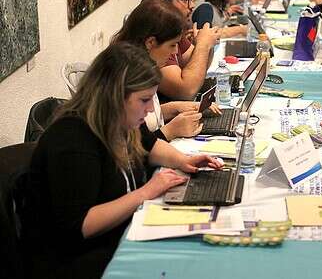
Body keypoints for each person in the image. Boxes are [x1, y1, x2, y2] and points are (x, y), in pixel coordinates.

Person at [24, 43, 223, 278]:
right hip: (76, 259)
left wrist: (184, 160)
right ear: (115, 95)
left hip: (114, 237)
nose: (150, 110)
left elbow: (150, 145)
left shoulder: (119, 120)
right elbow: (79, 226)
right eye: (144, 100)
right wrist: (146, 192)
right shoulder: (73, 141)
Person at [113, 0, 221, 140]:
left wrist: (175, 108)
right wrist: (170, 131)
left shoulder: (145, 68)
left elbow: (147, 118)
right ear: (150, 42)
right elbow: (131, 147)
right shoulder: (125, 78)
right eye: (172, 45)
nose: (176, 52)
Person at [142, 0, 221, 102]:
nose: (192, 5)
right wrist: (202, 45)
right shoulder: (153, 37)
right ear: (163, 3)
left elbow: (200, 68)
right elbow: (186, 91)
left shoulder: (173, 27)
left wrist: (207, 41)